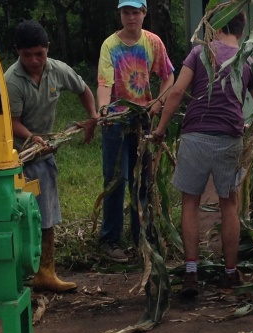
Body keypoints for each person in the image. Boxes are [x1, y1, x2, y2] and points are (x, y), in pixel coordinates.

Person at [153, 11, 253, 297]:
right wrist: (250, 126)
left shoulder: (200, 53)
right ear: (242, 27)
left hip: (196, 137)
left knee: (191, 203)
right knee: (229, 205)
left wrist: (161, 129)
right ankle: (230, 272)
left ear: (213, 26)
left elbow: (175, 93)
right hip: (230, 140)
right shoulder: (247, 59)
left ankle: (191, 274)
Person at [4, 20, 99, 292]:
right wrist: (33, 136)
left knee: (44, 210)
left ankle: (45, 271)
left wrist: (92, 117)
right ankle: (33, 270)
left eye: (39, 54)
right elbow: (13, 122)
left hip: (44, 152)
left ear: (47, 49)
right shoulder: (12, 80)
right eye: (27, 55)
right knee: (27, 213)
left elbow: (83, 90)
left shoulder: (58, 70)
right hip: (20, 154)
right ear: (18, 53)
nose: (34, 60)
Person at [93, 0, 175, 262]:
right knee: (116, 180)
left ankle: (143, 238)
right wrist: (103, 111)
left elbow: (169, 75)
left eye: (135, 12)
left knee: (142, 181)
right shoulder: (110, 45)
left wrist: (157, 103)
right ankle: (110, 240)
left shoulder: (153, 43)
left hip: (143, 119)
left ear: (144, 14)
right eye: (125, 12)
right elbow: (104, 83)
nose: (130, 17)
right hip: (116, 121)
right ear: (120, 14)